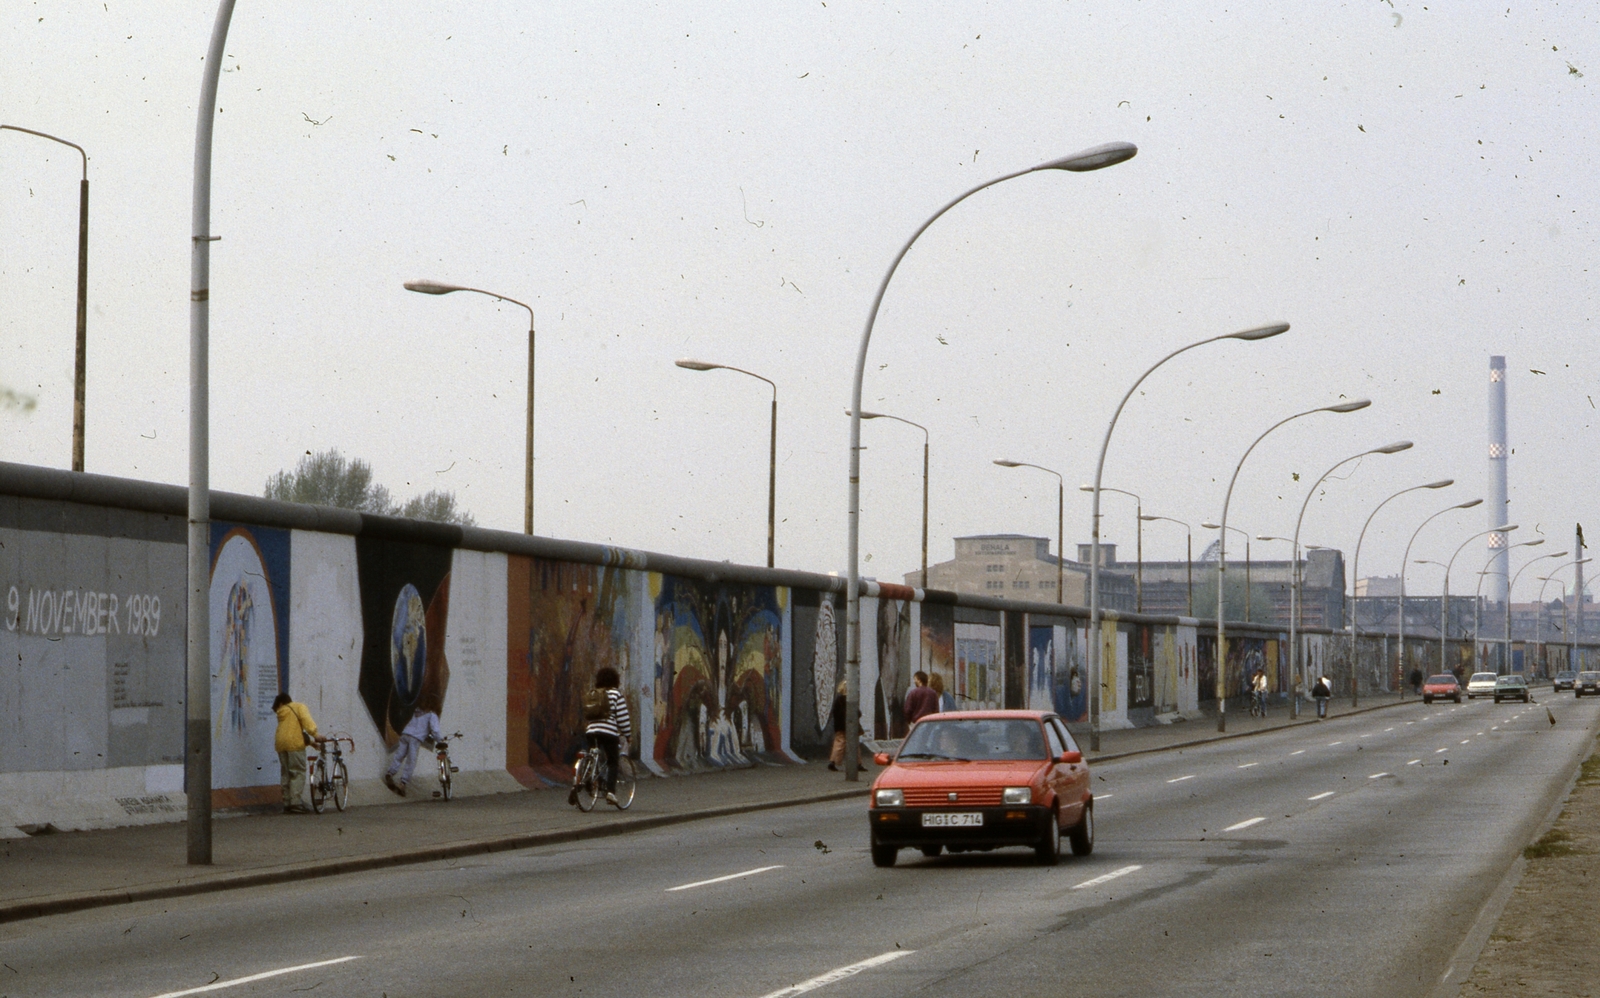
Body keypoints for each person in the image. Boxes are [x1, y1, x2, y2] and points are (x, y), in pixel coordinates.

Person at [570, 666, 632, 807]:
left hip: (591, 732)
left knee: (593, 756)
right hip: (609, 733)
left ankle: (581, 783)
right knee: (612, 761)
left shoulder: (593, 693)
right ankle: (610, 792)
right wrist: (627, 735)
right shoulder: (616, 694)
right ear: (615, 680)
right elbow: (623, 718)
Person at [272, 692, 318, 814]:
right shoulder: (298, 707)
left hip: (280, 744)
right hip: (295, 745)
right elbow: (306, 723)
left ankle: (287, 803)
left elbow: (291, 732)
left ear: (281, 703)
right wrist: (315, 734)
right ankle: (296, 803)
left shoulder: (282, 714)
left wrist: (310, 742)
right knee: (298, 772)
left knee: (286, 773)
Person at [385, 703, 442, 797]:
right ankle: (403, 783)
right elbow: (435, 731)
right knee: (411, 761)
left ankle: (390, 773)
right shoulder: (432, 715)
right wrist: (440, 741)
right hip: (415, 738)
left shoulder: (418, 711)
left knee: (399, 755)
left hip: (406, 733)